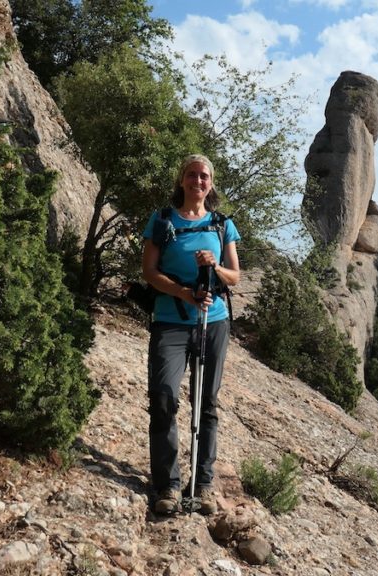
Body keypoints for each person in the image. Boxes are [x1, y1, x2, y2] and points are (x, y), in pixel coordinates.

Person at [141, 154, 241, 515]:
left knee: (207, 402)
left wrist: (213, 266)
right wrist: (184, 292)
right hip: (170, 320)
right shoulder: (162, 220)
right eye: (192, 175)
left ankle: (203, 483)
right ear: (182, 180)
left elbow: (234, 276)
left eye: (204, 176)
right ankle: (166, 485)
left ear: (210, 184)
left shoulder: (221, 225)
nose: (198, 181)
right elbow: (149, 272)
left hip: (213, 322)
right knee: (164, 396)